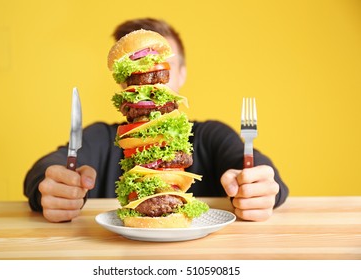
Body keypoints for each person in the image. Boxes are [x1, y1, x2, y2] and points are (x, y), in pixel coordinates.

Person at [24, 18, 289, 223]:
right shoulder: (102, 138)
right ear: (124, 81)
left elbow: (263, 172)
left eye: (161, 68)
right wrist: (49, 189)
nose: (150, 80)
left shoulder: (210, 135)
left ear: (181, 74)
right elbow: (46, 168)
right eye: (138, 69)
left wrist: (262, 189)